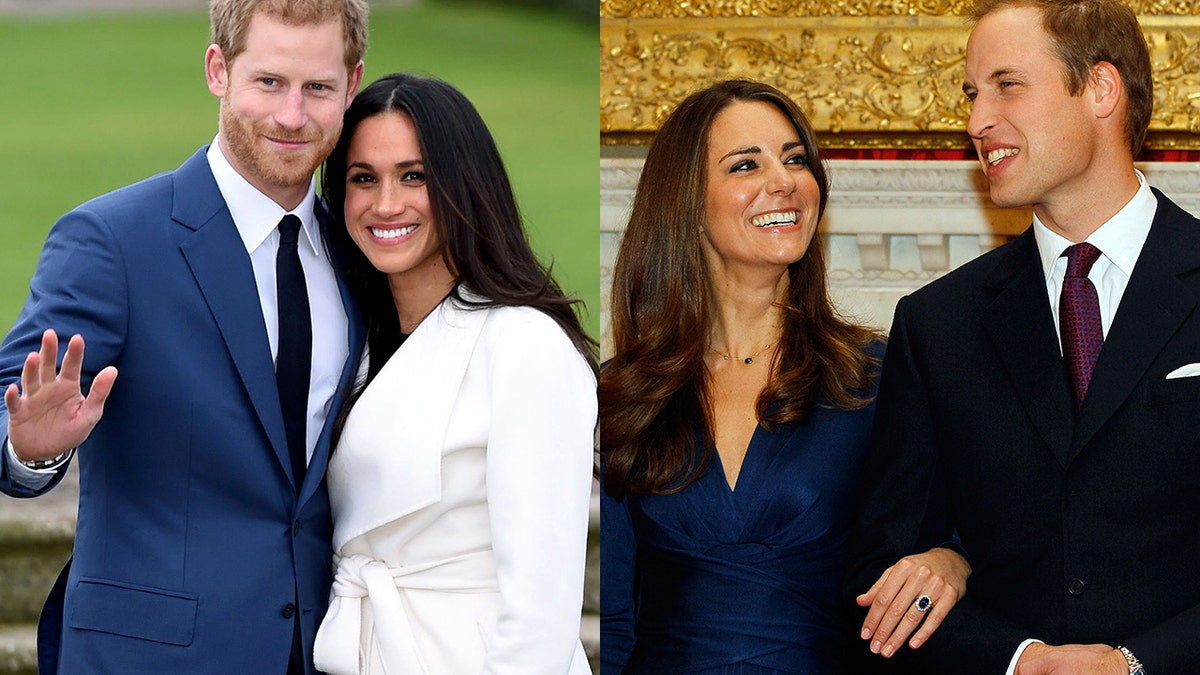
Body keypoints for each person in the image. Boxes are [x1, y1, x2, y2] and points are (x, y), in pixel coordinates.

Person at [0, 1, 366, 672]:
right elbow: (8, 402)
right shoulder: (111, 241)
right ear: (217, 70)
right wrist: (27, 448)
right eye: (269, 82)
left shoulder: (362, 254)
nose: (292, 115)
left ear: (352, 83)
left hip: (319, 651)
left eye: (317, 87)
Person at [845, 0, 1200, 672]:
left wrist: (1137, 663)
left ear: (1100, 88)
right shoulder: (936, 323)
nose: (977, 122)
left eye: (1007, 85)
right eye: (972, 94)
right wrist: (1017, 658)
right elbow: (882, 576)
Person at [599, 79, 968, 674]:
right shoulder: (623, 390)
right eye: (747, 164)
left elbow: (970, 535)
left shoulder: (877, 375)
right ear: (686, 203)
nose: (785, 180)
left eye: (796, 159)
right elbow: (614, 616)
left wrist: (953, 563)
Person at [309, 72, 598, 674]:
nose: (386, 204)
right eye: (364, 179)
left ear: (463, 185)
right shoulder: (356, 341)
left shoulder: (523, 343)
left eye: (414, 176)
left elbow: (542, 615)